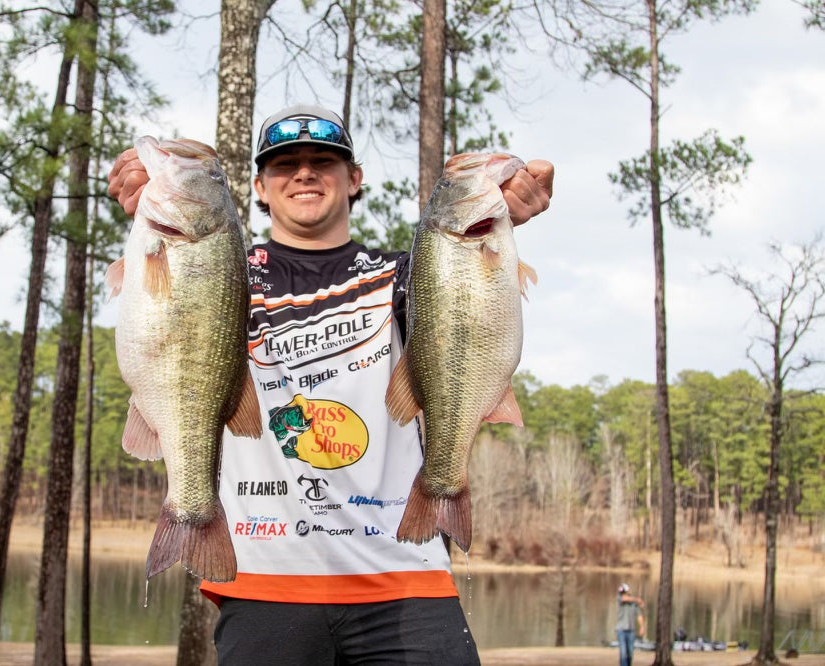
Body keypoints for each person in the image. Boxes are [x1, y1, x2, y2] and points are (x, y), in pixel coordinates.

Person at [108, 104, 553, 664]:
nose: (304, 173)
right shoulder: (219, 269)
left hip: (404, 577)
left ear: (354, 179)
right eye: (284, 164)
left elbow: (466, 306)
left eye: (323, 160)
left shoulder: (406, 273)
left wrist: (513, 200)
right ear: (259, 189)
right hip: (266, 579)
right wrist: (147, 193)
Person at [615, 583, 646, 666]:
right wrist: (637, 600)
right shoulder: (619, 598)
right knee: (623, 652)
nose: (623, 594)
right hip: (621, 630)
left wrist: (642, 627)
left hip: (631, 630)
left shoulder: (633, 604)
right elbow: (624, 599)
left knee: (630, 652)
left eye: (624, 592)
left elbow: (639, 615)